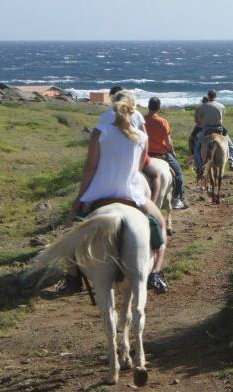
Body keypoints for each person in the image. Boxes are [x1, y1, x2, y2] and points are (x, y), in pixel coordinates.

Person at [57, 91, 169, 295]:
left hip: (99, 190)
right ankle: (156, 273)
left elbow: (91, 166)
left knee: (69, 229)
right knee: (160, 224)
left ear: (113, 105)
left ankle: (72, 277)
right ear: (133, 107)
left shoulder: (100, 130)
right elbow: (140, 164)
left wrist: (80, 198)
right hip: (131, 192)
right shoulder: (141, 135)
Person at [145, 97, 187, 210]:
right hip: (161, 154)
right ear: (159, 108)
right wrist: (172, 152)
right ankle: (176, 199)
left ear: (148, 106)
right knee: (179, 175)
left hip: (145, 154)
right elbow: (168, 141)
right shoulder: (162, 121)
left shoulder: (142, 120)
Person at [194, 90, 233, 171]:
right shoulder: (221, 106)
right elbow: (222, 116)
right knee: (231, 146)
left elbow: (198, 121)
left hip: (206, 129)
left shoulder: (202, 107)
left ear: (208, 96)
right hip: (219, 128)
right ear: (216, 96)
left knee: (197, 148)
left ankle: (199, 165)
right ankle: (232, 161)